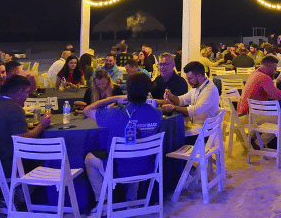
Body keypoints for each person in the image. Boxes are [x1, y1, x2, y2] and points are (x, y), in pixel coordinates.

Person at [82, 72, 163, 207]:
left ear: (128, 91)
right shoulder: (157, 114)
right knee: (136, 154)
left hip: (119, 170)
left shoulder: (116, 114)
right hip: (147, 167)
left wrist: (114, 98)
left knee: (89, 158)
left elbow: (86, 110)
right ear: (148, 91)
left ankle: (103, 202)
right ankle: (132, 200)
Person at [0, 75, 50, 183]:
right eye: (27, 93)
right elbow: (22, 140)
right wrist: (41, 125)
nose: (27, 96)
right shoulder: (14, 108)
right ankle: (29, 191)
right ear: (20, 91)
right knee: (38, 157)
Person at [160, 61, 219, 135]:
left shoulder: (210, 90)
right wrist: (171, 96)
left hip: (205, 131)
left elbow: (195, 111)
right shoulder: (197, 87)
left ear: (199, 76)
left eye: (190, 79)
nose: (188, 81)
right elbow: (182, 100)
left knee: (172, 134)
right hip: (195, 126)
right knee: (170, 129)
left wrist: (174, 108)